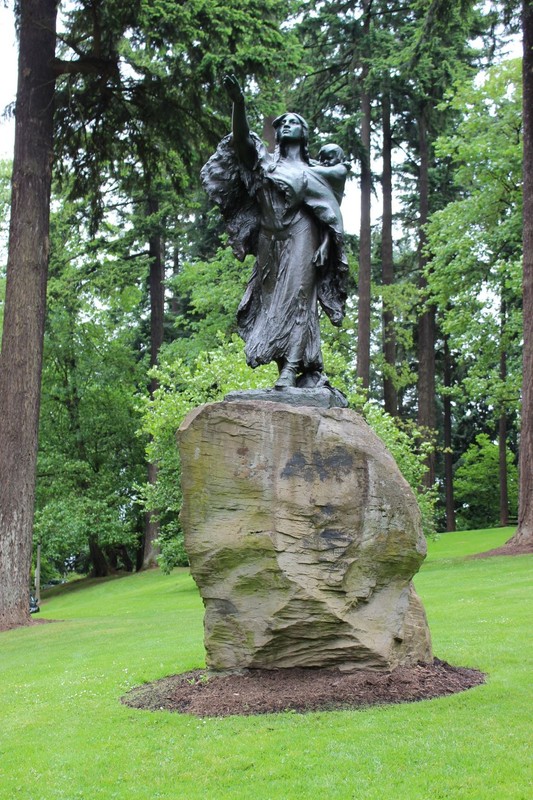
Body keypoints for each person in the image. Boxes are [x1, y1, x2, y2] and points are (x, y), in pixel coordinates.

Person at [201, 75, 349, 389]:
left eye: (293, 123)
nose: (285, 126)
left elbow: (328, 214)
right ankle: (305, 370)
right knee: (271, 305)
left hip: (302, 236)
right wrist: (238, 104)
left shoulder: (314, 172)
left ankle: (288, 372)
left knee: (297, 299)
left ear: (304, 133)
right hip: (270, 240)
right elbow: (241, 144)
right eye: (281, 124)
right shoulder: (265, 164)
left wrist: (325, 243)